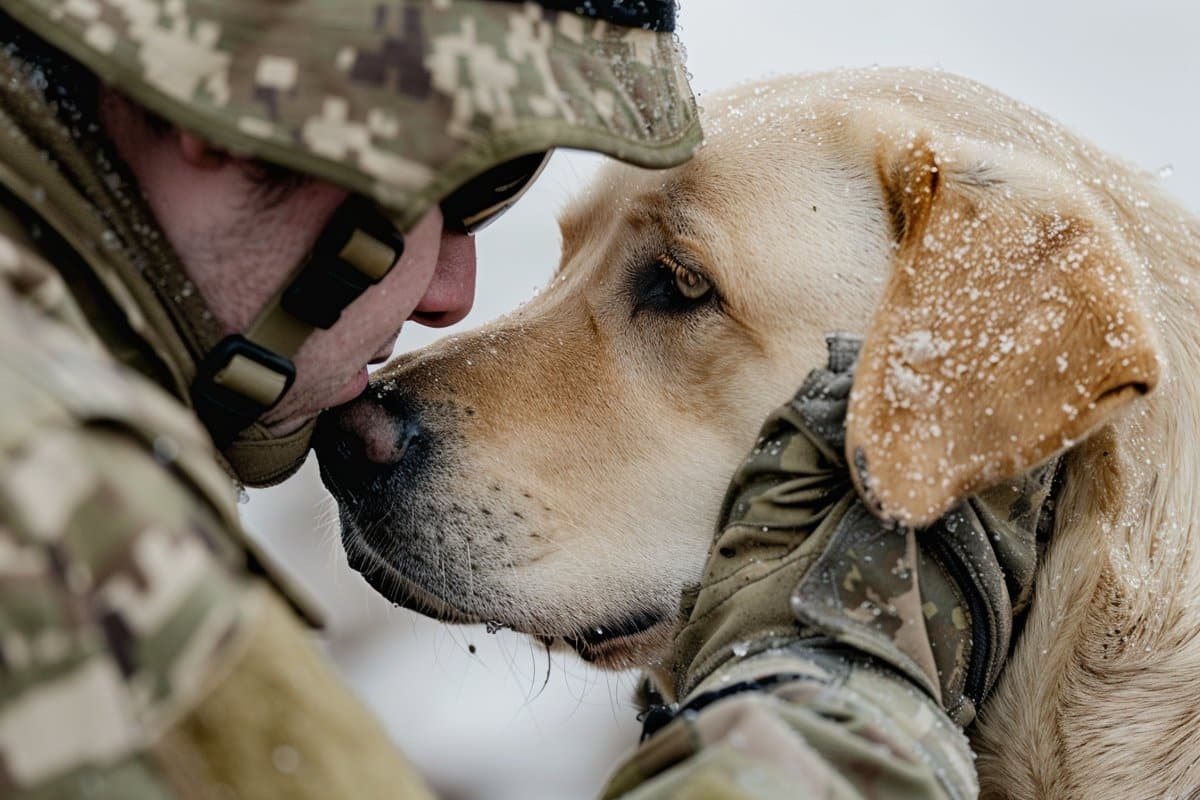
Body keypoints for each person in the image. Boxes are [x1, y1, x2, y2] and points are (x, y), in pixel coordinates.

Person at [0, 2, 1052, 798]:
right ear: (239, 108)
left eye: (676, 286)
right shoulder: (47, 491)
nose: (453, 291)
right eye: (460, 183)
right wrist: (840, 672)